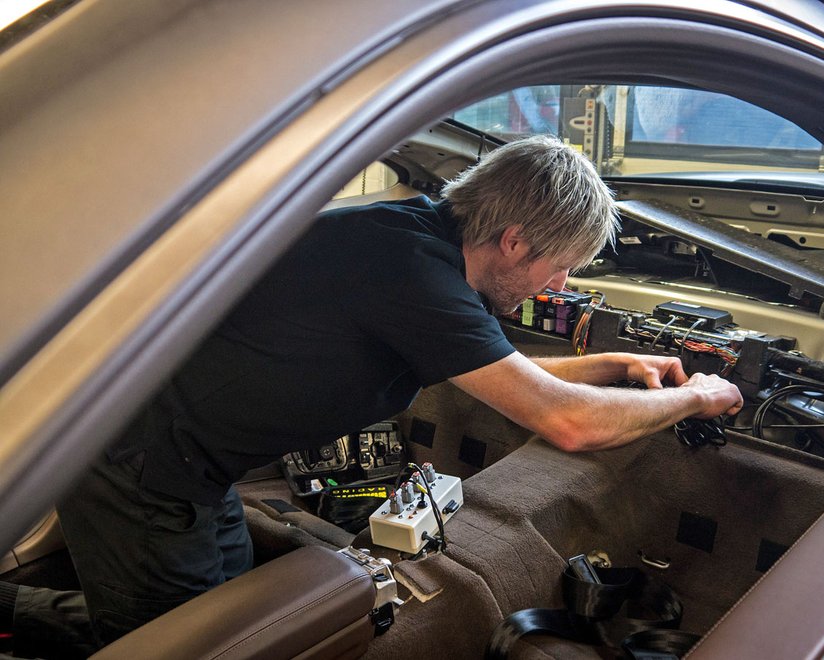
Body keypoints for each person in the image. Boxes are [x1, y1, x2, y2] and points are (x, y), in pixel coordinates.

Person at [1, 135, 742, 653]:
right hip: (143, 469)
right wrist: (697, 397)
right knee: (192, 647)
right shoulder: (407, 272)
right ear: (513, 240)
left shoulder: (419, 250)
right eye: (560, 268)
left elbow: (511, 375)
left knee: (221, 611)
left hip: (199, 466)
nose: (561, 288)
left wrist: (615, 365)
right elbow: (566, 422)